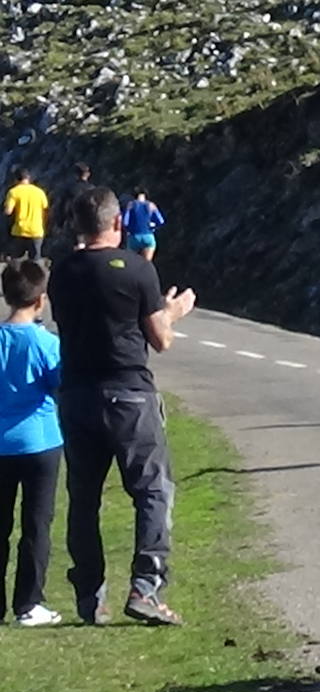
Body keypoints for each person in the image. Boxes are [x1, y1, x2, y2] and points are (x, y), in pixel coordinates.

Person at [48, 187, 197, 626]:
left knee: (84, 497)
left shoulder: (62, 273)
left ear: (78, 225)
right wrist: (174, 310)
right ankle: (146, 588)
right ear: (118, 224)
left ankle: (90, 594)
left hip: (77, 393)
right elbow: (160, 339)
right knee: (152, 491)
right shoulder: (136, 270)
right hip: (130, 392)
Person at [0, 260, 63, 627]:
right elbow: (59, 383)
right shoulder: (46, 343)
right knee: (36, 525)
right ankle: (29, 603)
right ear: (40, 300)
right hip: (40, 441)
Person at [3, 169, 48, 262]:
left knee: (16, 261)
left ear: (16, 179)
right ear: (29, 178)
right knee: (35, 262)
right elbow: (46, 208)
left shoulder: (13, 192)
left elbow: (8, 211)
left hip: (19, 230)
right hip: (36, 230)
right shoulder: (39, 192)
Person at [122, 186, 165, 261]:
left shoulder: (131, 205)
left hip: (134, 237)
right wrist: (153, 226)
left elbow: (125, 222)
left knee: (132, 263)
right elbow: (161, 221)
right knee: (147, 264)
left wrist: (128, 229)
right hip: (148, 236)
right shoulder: (151, 205)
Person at [59, 162, 95, 251]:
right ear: (88, 175)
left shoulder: (70, 189)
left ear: (75, 175)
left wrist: (60, 221)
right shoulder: (92, 189)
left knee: (76, 246)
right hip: (90, 222)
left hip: (74, 222)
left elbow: (63, 206)